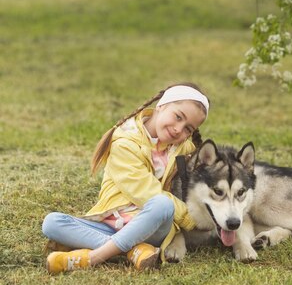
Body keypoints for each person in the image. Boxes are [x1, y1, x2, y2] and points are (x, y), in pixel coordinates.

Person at [42, 83, 209, 274]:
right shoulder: (125, 142)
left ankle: (92, 257)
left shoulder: (182, 148)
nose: (179, 129)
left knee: (162, 206)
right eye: (178, 117)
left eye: (188, 128)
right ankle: (133, 251)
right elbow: (145, 192)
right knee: (53, 222)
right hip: (110, 224)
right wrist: (191, 219)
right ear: (161, 105)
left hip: (150, 229)